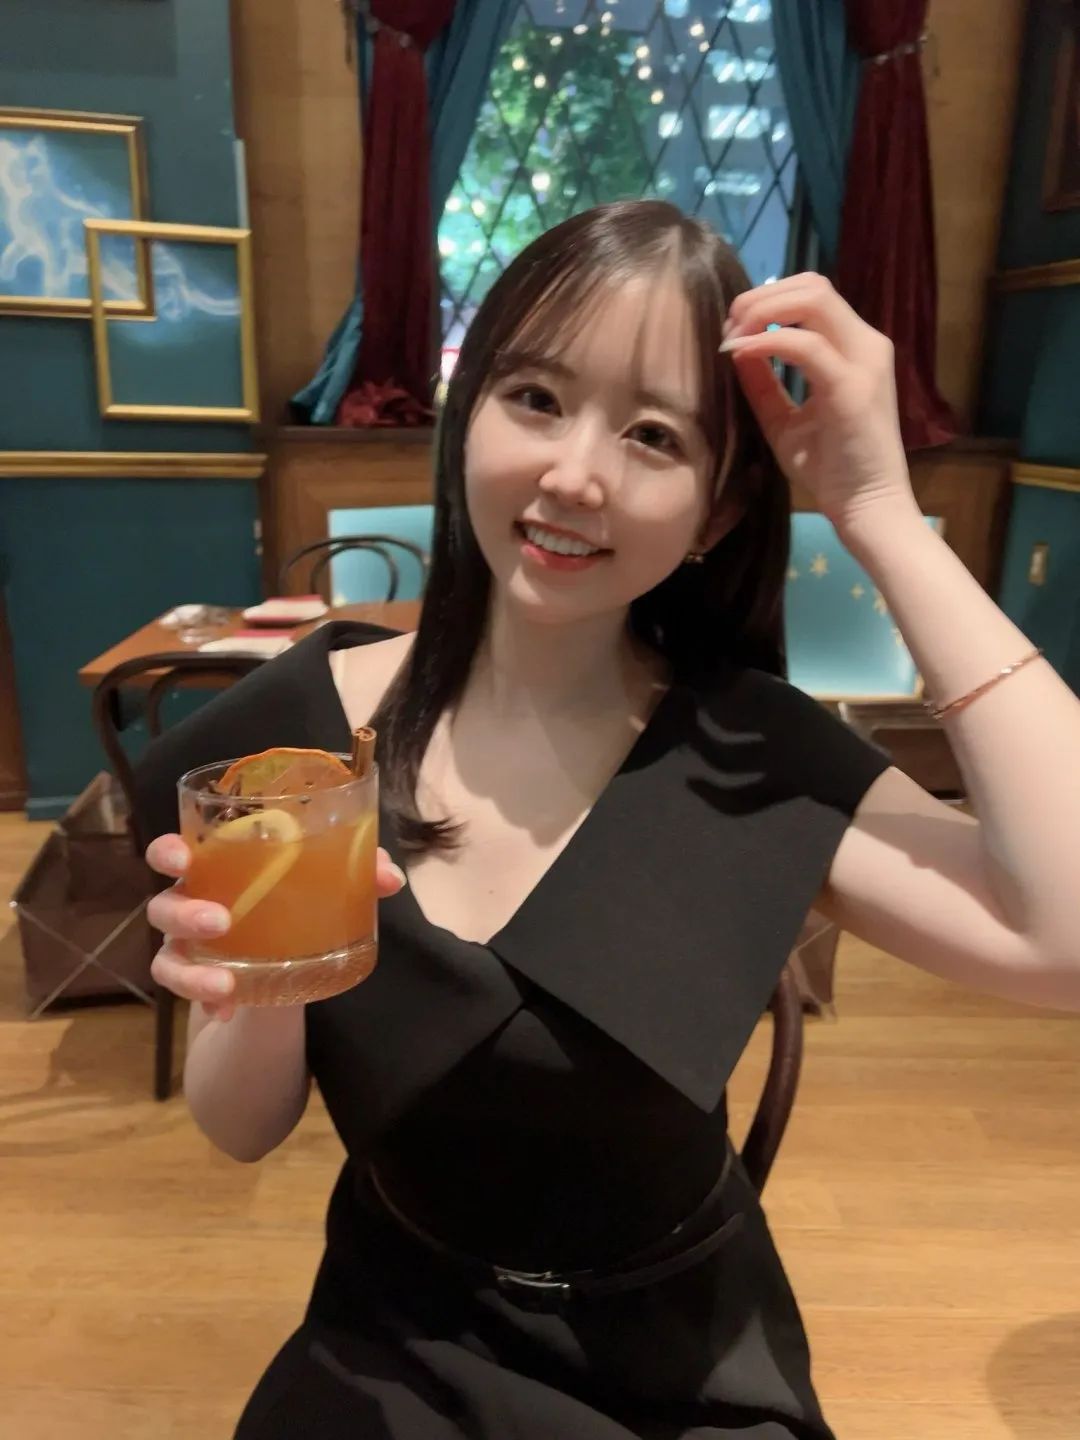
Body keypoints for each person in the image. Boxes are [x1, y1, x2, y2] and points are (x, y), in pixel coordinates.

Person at [133, 201, 1080, 1439]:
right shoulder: (299, 743)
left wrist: (878, 511)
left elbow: (1066, 942)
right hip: (393, 1331)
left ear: (718, 513)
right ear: (467, 417)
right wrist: (254, 986)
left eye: (653, 436)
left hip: (675, 1364)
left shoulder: (751, 756)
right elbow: (242, 1128)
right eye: (535, 397)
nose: (575, 475)